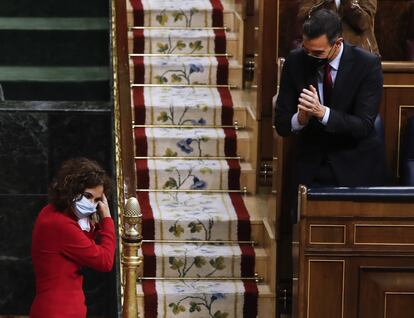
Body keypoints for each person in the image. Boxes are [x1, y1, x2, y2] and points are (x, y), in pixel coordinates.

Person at [274, 9, 387, 187]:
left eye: (318, 53)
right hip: (312, 163)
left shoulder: (367, 65)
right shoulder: (295, 61)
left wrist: (322, 113)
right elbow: (281, 123)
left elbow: (363, 125)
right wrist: (300, 120)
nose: (311, 57)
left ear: (337, 44)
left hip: (355, 163)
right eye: (306, 50)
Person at [30, 158, 115, 318]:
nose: (91, 204)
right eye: (87, 196)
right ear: (72, 189)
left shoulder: (50, 212)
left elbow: (79, 245)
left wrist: (94, 226)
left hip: (58, 308)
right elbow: (105, 261)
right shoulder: (61, 225)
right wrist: (107, 220)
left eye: (97, 200)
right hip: (59, 311)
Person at [298, 0, 379, 55]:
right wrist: (327, 3)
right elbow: (305, 20)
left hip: (359, 56)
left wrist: (347, 2)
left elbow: (363, 23)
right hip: (320, 55)